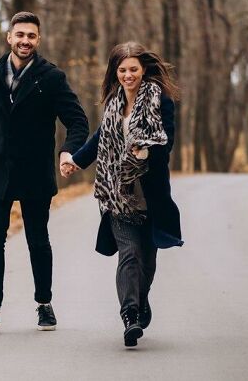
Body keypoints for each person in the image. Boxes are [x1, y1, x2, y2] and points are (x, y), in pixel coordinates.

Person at [0, 11, 89, 330]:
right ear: (9, 37)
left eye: (31, 36)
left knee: (38, 238)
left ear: (38, 39)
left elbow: (77, 121)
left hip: (35, 171)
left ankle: (44, 304)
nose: (25, 41)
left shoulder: (51, 77)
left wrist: (67, 152)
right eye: (19, 35)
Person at [61, 41, 183, 347]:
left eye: (133, 69)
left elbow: (166, 142)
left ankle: (141, 301)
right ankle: (129, 315)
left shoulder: (160, 99)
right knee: (129, 254)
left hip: (150, 191)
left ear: (143, 70)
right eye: (122, 70)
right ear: (115, 73)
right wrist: (76, 161)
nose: (128, 75)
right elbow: (99, 138)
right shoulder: (114, 104)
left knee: (147, 261)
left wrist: (145, 151)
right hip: (117, 192)